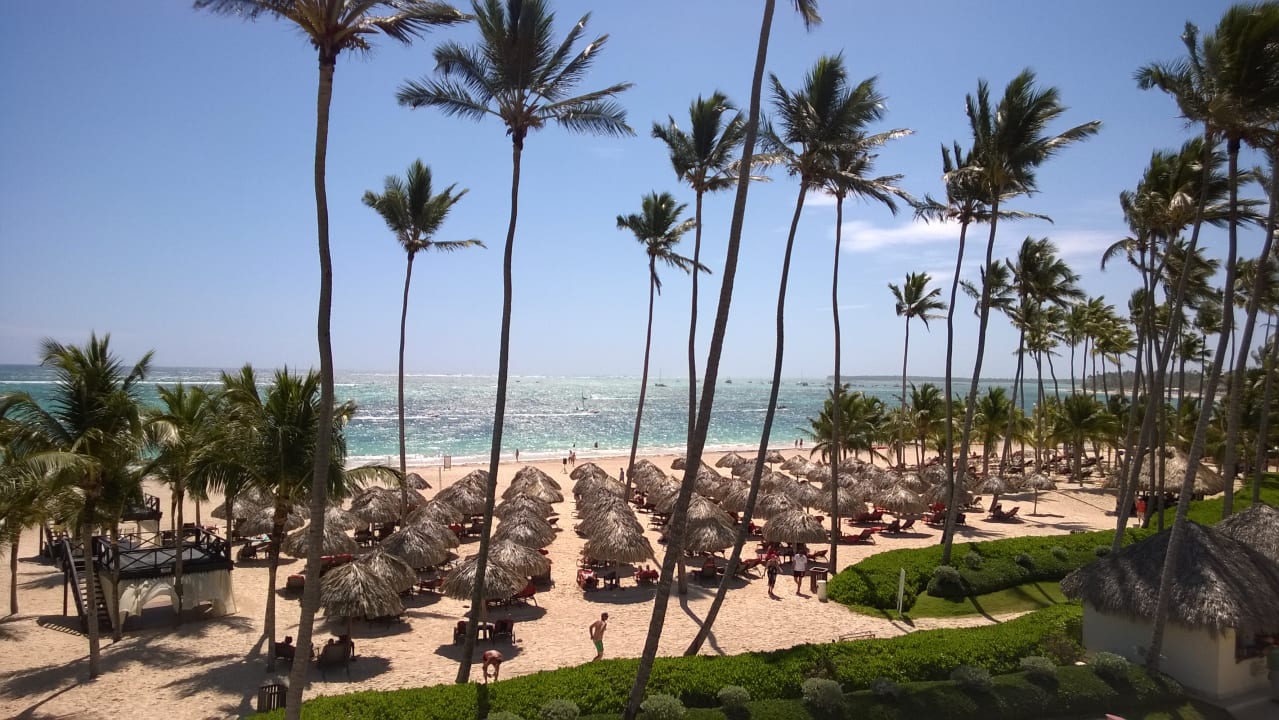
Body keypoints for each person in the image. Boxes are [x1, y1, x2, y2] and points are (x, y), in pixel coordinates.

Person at [1267, 636, 1279, 703]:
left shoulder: (1270, 649)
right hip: (1274, 669)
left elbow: (1262, 653)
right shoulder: (1271, 649)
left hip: (1275, 669)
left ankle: (1277, 699)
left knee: (1276, 684)